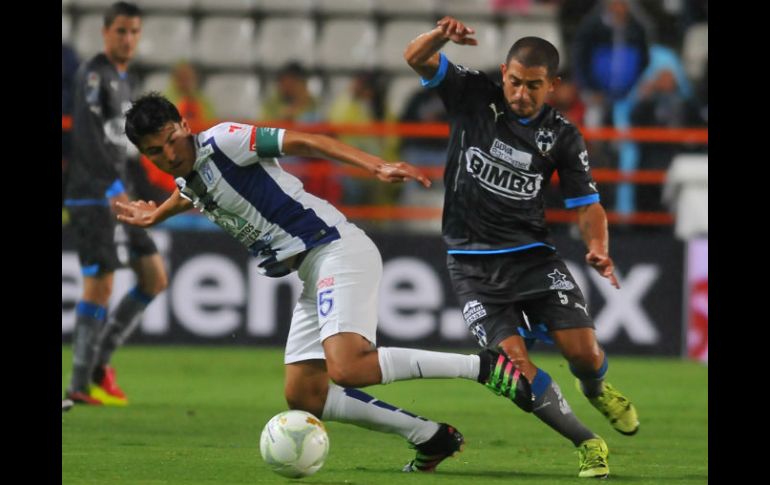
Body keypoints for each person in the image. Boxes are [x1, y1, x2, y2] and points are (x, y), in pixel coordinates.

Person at [117, 92, 533, 472]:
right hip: (312, 271)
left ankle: (482, 366)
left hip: (335, 248)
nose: (168, 154)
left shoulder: (225, 140)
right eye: (154, 151)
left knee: (349, 367)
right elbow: (190, 191)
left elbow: (305, 142)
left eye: (172, 140)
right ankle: (431, 437)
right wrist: (155, 215)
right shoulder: (189, 176)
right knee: (305, 395)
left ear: (184, 125)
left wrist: (375, 165)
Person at [403, 16, 640, 478]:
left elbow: (588, 204)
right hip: (471, 266)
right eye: (514, 81)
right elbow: (415, 57)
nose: (520, 93)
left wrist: (598, 246)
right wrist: (440, 36)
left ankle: (595, 389)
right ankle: (588, 443)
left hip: (532, 257)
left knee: (585, 355)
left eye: (533, 85)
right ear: (504, 74)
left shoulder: (563, 135)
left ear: (552, 85)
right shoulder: (473, 94)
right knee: (512, 367)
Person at [63, 2, 168, 408]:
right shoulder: (93, 75)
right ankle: (78, 383)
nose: (128, 39)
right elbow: (88, 140)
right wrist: (113, 189)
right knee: (101, 283)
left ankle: (98, 364)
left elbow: (124, 145)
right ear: (106, 32)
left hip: (121, 190)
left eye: (134, 32)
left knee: (153, 277)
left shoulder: (126, 80)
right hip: (93, 194)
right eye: (121, 31)